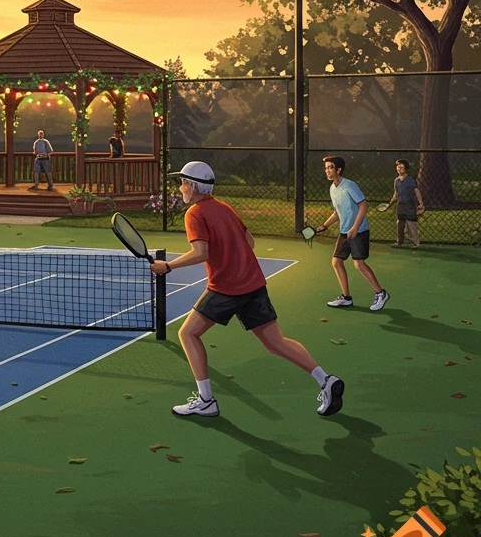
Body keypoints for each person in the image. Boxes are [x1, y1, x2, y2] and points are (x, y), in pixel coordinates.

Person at [149, 161, 343, 419]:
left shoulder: (194, 213)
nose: (181, 186)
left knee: (188, 334)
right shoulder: (225, 208)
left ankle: (206, 401)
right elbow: (249, 242)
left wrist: (168, 266)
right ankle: (325, 380)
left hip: (226, 288)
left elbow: (201, 252)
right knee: (276, 343)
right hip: (253, 284)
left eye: (184, 182)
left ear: (194, 187)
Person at [318, 155, 388, 310]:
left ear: (339, 169)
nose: (327, 171)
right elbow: (336, 213)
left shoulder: (349, 185)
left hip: (359, 229)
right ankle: (346, 298)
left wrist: (355, 227)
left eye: (330, 168)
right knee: (336, 262)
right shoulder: (332, 188)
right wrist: (323, 226)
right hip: (345, 230)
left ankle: (381, 293)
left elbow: (363, 205)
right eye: (326, 168)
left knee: (359, 264)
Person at [388, 158, 424, 248]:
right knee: (400, 223)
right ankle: (400, 242)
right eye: (398, 167)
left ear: (405, 168)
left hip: (410, 205)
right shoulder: (396, 181)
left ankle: (416, 242)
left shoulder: (410, 180)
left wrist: (421, 203)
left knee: (411, 224)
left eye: (401, 167)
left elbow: (416, 191)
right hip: (400, 205)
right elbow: (396, 194)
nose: (399, 169)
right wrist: (391, 203)